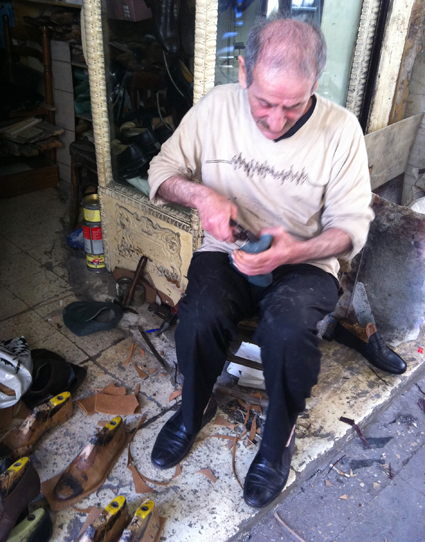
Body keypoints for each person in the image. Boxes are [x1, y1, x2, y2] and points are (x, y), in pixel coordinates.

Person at [147, 16, 374, 508]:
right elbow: (162, 171)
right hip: (228, 249)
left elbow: (352, 228)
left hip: (305, 262)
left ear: (316, 81)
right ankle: (194, 408)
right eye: (264, 103)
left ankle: (277, 441)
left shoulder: (342, 132)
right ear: (244, 69)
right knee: (199, 315)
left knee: (288, 332)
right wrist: (202, 196)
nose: (275, 122)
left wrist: (294, 249)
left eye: (293, 107)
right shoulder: (214, 108)